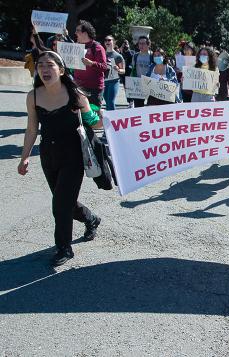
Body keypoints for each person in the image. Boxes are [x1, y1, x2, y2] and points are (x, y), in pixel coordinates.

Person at [18, 51, 102, 266]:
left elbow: (94, 122)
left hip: (73, 156)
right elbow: (31, 129)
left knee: (60, 204)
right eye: (40, 66)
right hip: (49, 155)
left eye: (50, 65)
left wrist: (104, 117)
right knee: (65, 201)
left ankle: (63, 248)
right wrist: (24, 157)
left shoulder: (75, 94)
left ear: (61, 70)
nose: (45, 69)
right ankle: (91, 219)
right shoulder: (33, 96)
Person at [73, 20, 107, 109]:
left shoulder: (97, 47)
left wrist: (91, 63)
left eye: (78, 30)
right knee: (80, 115)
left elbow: (104, 66)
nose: (75, 33)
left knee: (94, 116)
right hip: (78, 87)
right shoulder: (75, 46)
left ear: (85, 33)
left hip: (94, 89)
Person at [102, 35, 124, 111]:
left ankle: (113, 120)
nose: (107, 42)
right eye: (106, 40)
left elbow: (123, 70)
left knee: (110, 101)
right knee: (107, 102)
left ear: (113, 42)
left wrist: (118, 69)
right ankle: (110, 119)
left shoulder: (118, 56)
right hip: (104, 81)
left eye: (109, 40)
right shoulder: (102, 54)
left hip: (114, 81)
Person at [130, 35, 153, 107]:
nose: (141, 45)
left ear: (148, 44)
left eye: (143, 43)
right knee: (138, 107)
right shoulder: (135, 56)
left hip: (151, 84)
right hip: (138, 84)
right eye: (140, 43)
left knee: (151, 107)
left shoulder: (152, 55)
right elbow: (133, 69)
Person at [119, 40, 135, 107]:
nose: (125, 45)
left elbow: (131, 58)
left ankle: (132, 101)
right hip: (123, 73)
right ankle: (129, 101)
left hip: (130, 72)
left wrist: (127, 50)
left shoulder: (131, 52)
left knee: (130, 87)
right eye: (124, 44)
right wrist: (121, 50)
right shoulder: (121, 53)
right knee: (126, 88)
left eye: (127, 44)